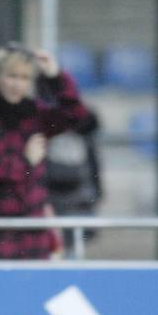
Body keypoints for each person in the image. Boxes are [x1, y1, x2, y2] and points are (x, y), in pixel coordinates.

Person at [0, 43, 88, 259]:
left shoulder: (34, 113)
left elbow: (75, 116)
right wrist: (25, 161)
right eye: (11, 76)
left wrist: (56, 77)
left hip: (31, 229)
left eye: (24, 78)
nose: (17, 84)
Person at [45, 106, 102, 248]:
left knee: (71, 248)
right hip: (50, 197)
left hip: (77, 196)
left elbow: (91, 123)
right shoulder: (40, 115)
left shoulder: (83, 122)